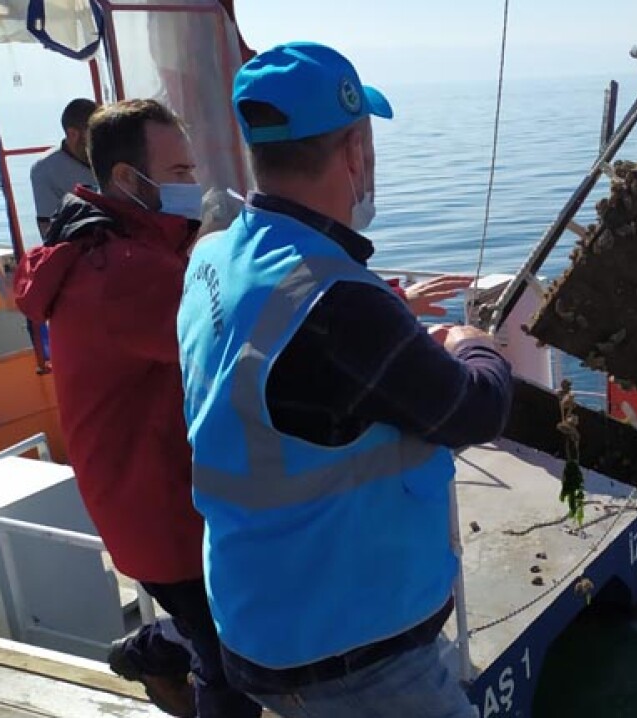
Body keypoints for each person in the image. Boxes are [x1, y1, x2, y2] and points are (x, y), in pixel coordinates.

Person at [177, 42, 513, 717]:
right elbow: (474, 412)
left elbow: (295, 372)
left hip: (256, 622)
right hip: (354, 656)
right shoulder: (340, 305)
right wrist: (474, 345)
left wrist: (393, 322)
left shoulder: (212, 256)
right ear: (356, 150)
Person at [12, 99, 261, 718]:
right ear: (128, 179)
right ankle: (162, 654)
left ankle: (150, 651)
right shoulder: (123, 273)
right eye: (179, 172)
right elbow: (244, 335)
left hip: (154, 494)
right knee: (235, 668)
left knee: (220, 625)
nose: (194, 185)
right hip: (160, 508)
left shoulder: (125, 245)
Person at [30, 98, 97, 238]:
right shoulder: (45, 169)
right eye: (94, 135)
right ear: (73, 134)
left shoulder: (113, 155)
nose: (102, 141)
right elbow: (48, 231)